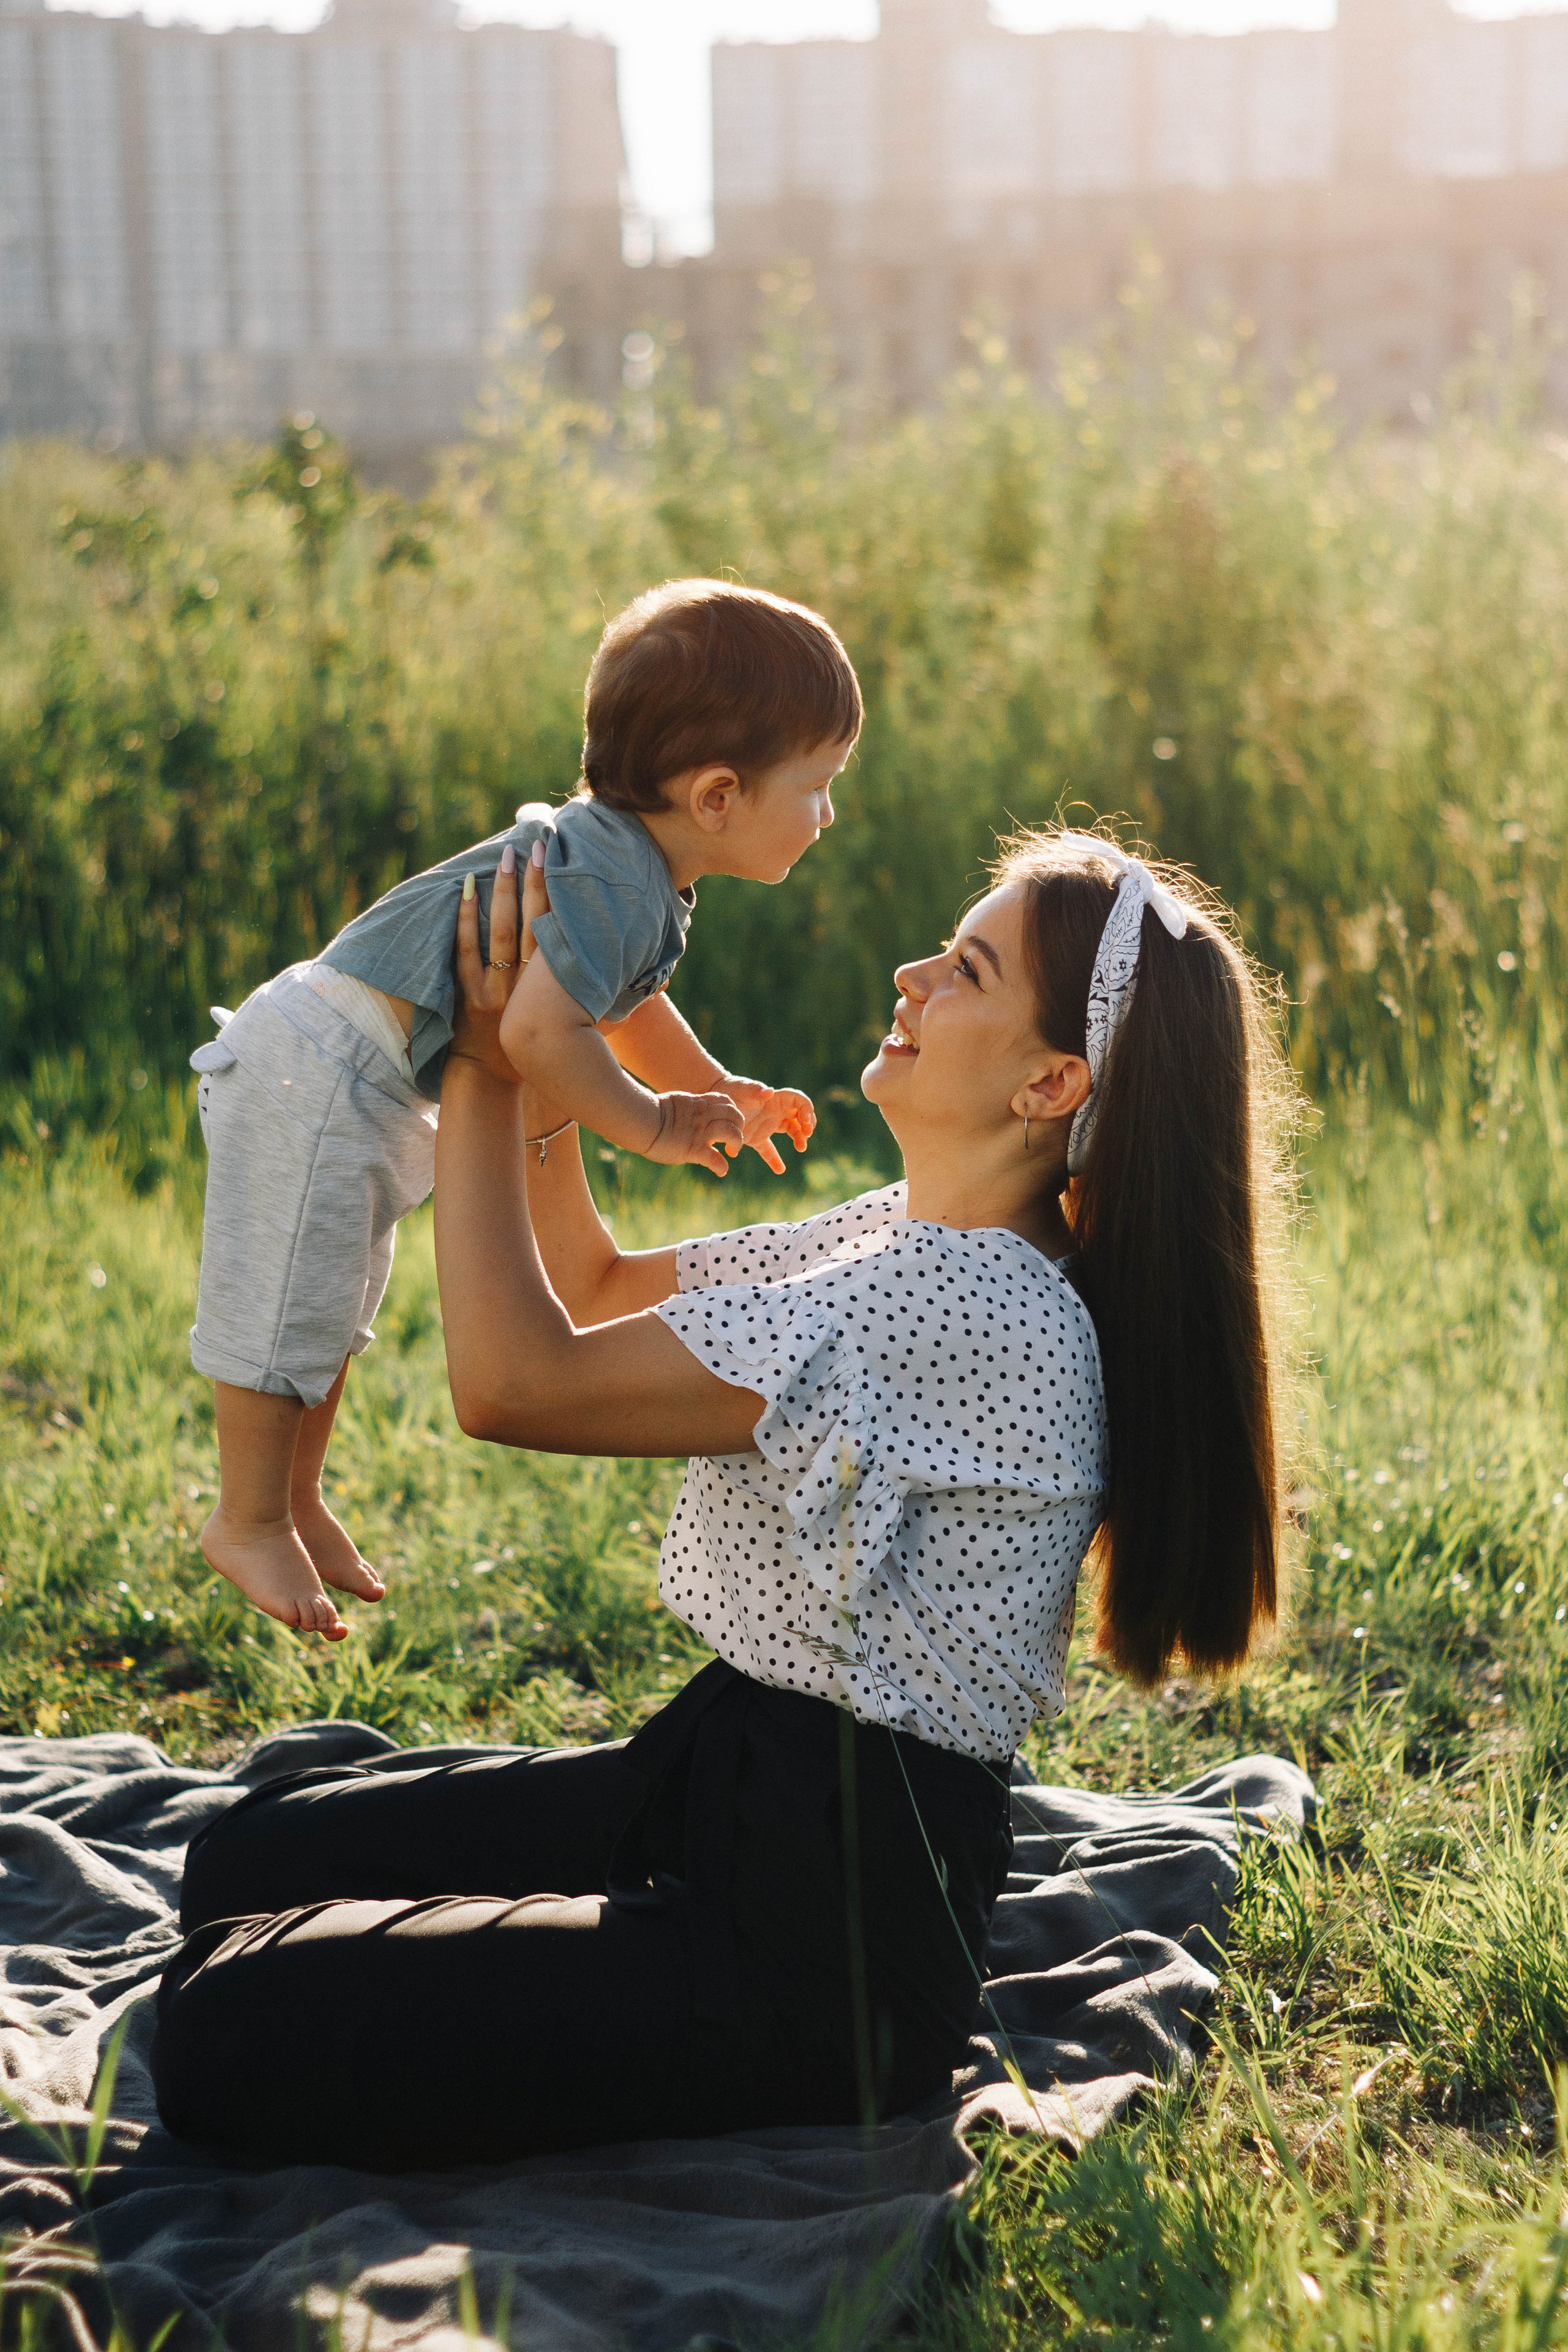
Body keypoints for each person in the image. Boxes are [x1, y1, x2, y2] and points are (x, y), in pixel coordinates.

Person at [150, 826, 1297, 2171]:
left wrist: (481, 1061)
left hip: (822, 1956)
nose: (911, 973)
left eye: (964, 971)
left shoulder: (959, 1303)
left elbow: (515, 1383)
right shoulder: (910, 1232)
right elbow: (589, 1287)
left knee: (219, 2029)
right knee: (242, 1863)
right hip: (721, 1773)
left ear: (1049, 1082)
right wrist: (547, 1037)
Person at [187, 579, 859, 1641]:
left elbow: (625, 1008)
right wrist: (655, 1125)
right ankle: (245, 1516)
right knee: (286, 1300)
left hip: (358, 1072)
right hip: (316, 1065)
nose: (829, 814)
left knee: (333, 1306)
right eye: (818, 786)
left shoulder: (635, 872)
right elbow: (540, 1036)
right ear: (718, 796)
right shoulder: (620, 879)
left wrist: (717, 1089)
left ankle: (294, 1500)